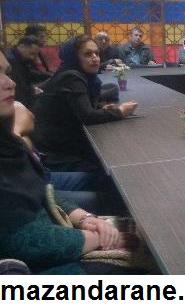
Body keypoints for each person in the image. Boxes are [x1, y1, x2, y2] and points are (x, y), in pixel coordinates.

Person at [0, 50, 130, 274]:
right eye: (88, 53)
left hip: (53, 235)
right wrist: (95, 237)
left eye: (6, 73)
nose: (10, 83)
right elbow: (19, 240)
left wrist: (85, 218)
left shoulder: (7, 142)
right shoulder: (70, 78)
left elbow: (42, 186)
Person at [32, 36, 139, 173]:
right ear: (74, 57)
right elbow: (87, 116)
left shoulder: (75, 74)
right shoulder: (71, 77)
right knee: (104, 169)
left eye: (97, 53)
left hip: (59, 142)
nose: (95, 58)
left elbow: (81, 107)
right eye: (88, 54)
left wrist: (98, 108)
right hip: (54, 152)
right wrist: (120, 111)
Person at [5, 36, 51, 109]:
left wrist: (50, 76)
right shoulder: (12, 61)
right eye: (31, 53)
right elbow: (21, 90)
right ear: (22, 46)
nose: (32, 57)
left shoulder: (20, 58)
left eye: (35, 55)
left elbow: (30, 73)